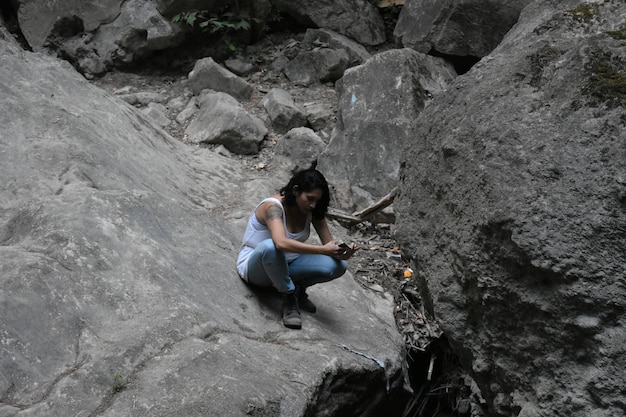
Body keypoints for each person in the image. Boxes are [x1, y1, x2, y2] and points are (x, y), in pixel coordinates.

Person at [237, 168, 356, 329]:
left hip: (287, 265)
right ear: (296, 190)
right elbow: (280, 243)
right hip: (257, 268)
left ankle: (298, 289)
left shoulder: (312, 210)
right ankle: (288, 294)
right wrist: (322, 250)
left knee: (337, 266)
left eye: (317, 200)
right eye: (310, 198)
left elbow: (330, 246)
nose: (313, 204)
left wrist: (342, 253)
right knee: (270, 247)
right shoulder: (273, 207)